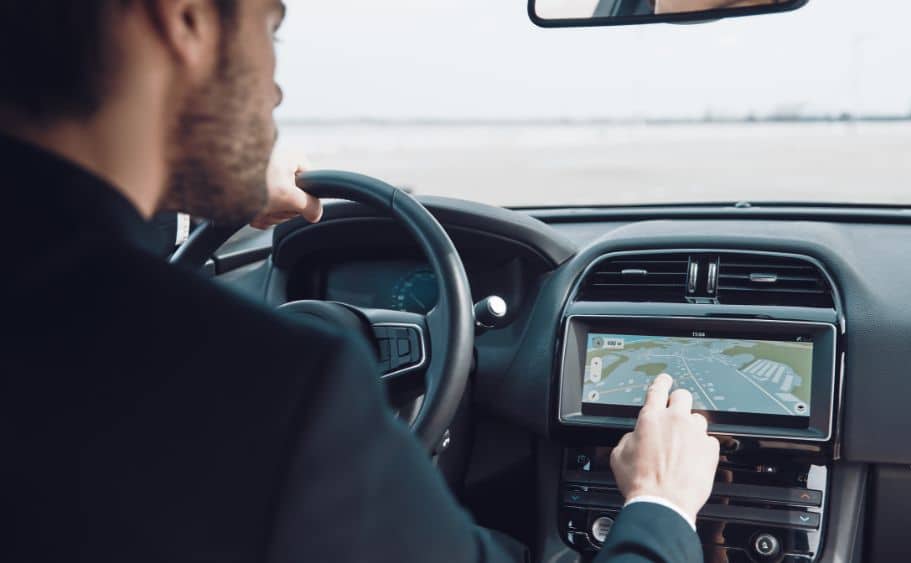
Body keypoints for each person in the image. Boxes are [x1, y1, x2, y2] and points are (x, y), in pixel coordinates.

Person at [0, 1, 720, 562]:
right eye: (270, 29)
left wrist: (188, 175)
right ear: (186, 19)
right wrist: (661, 504)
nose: (276, 88)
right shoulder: (278, 388)